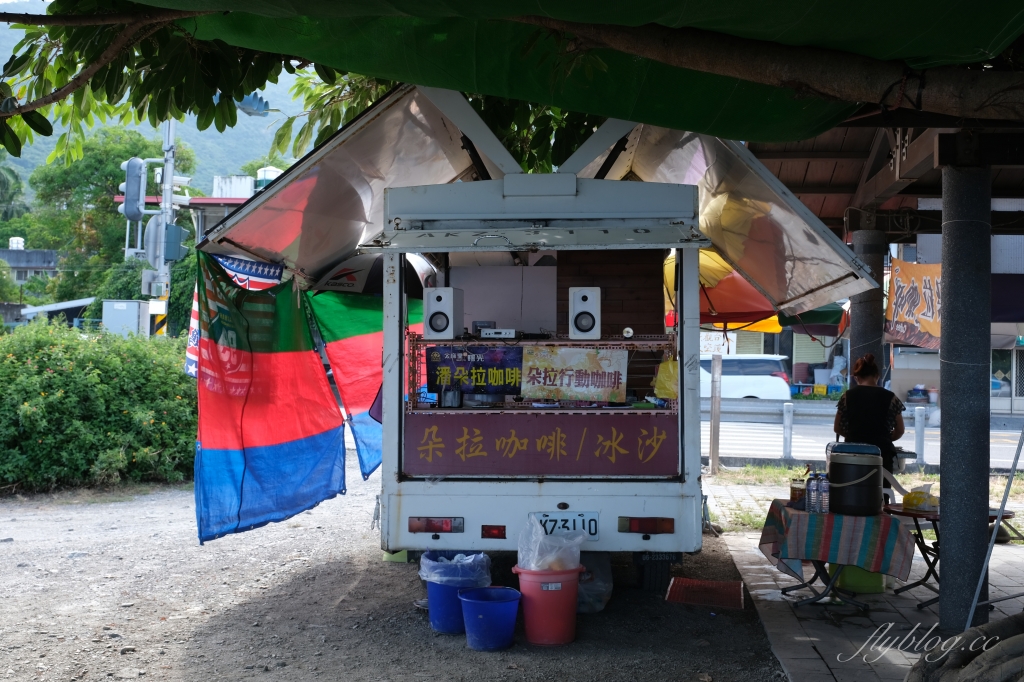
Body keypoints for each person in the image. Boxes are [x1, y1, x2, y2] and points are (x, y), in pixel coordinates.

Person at [833, 354, 905, 487]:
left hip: (852, 456)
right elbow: (900, 430)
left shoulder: (847, 396)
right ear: (877, 376)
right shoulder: (891, 397)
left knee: (853, 493)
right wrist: (885, 438)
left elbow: (837, 427)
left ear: (856, 377)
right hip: (882, 456)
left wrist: (854, 437)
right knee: (881, 494)